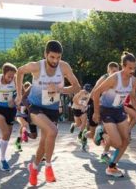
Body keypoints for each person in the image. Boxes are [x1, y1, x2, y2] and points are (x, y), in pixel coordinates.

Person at [16, 40, 81, 185]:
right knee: (53, 131)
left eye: (58, 57)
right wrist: (20, 94)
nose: (55, 61)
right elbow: (19, 71)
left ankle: (33, 168)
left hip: (52, 109)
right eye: (52, 57)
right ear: (45, 54)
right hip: (35, 107)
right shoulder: (36, 66)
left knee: (44, 143)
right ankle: (49, 167)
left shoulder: (64, 67)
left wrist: (61, 90)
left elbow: (76, 86)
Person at [91, 52, 136, 177]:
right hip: (106, 110)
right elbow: (96, 93)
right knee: (118, 143)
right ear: (123, 66)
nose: (132, 70)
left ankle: (112, 167)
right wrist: (96, 112)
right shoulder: (114, 78)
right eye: (130, 68)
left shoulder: (133, 80)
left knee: (126, 140)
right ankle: (101, 133)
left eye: (134, 68)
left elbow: (133, 98)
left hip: (119, 110)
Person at [89, 62, 118, 163]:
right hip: (100, 107)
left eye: (117, 71)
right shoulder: (104, 78)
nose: (115, 73)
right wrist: (94, 110)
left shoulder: (118, 80)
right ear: (108, 71)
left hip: (111, 109)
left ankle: (104, 154)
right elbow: (94, 93)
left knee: (109, 133)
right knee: (94, 136)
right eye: (113, 71)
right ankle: (94, 133)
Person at [15, 82, 37, 152]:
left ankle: (21, 139)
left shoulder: (30, 97)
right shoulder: (18, 95)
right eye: (26, 88)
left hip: (28, 116)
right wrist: (17, 106)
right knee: (24, 125)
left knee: (31, 134)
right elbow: (14, 104)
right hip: (19, 115)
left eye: (29, 88)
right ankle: (19, 143)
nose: (28, 89)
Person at [70, 83, 93, 148]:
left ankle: (80, 133)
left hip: (83, 110)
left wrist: (85, 107)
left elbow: (87, 102)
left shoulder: (89, 94)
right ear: (83, 89)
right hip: (76, 108)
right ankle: (73, 125)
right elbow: (74, 100)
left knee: (84, 122)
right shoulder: (80, 92)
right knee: (78, 124)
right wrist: (81, 106)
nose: (86, 92)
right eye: (86, 90)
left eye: (88, 90)